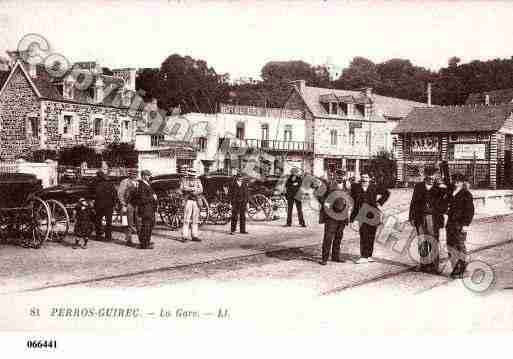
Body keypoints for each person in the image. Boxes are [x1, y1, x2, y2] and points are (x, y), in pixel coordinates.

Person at [408, 167, 448, 273]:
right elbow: (413, 202)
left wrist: (443, 188)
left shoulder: (440, 188)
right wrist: (411, 217)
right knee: (422, 241)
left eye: (433, 175)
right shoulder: (418, 186)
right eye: (429, 175)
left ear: (435, 176)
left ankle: (434, 266)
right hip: (420, 217)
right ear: (425, 176)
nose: (431, 178)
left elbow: (445, 202)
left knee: (433, 241)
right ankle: (424, 264)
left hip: (433, 218)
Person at [350, 172, 390, 263]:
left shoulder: (374, 187)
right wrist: (353, 216)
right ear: (360, 178)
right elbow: (353, 202)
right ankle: (363, 256)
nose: (364, 179)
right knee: (363, 234)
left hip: (373, 214)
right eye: (363, 177)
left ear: (369, 178)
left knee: (371, 235)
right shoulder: (355, 188)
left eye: (366, 177)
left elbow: (387, 193)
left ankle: (369, 256)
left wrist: (379, 202)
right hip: (362, 214)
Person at [318, 169, 352, 265]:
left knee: (339, 236)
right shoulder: (329, 184)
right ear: (335, 176)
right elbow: (320, 195)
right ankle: (324, 258)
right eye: (338, 175)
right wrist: (326, 203)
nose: (340, 177)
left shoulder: (347, 186)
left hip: (342, 215)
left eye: (342, 176)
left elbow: (350, 198)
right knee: (328, 237)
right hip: (331, 215)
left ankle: (335, 256)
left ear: (344, 176)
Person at [445, 173, 475, 278]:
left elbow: (470, 211)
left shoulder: (466, 194)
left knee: (460, 246)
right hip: (450, 223)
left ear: (462, 182)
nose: (456, 182)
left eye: (458, 181)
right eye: (454, 180)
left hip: (460, 224)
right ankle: (455, 267)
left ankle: (463, 269)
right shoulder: (451, 193)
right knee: (450, 245)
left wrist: (466, 224)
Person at [133, 169, 158, 249]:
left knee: (149, 226)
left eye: (149, 175)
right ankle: (144, 244)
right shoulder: (141, 185)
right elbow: (143, 199)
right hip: (145, 209)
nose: (149, 176)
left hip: (149, 209)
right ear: (143, 176)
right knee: (146, 227)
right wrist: (152, 197)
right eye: (147, 175)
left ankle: (147, 241)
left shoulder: (147, 184)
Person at [180, 168, 204, 242]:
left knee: (195, 220)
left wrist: (194, 191)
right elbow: (182, 188)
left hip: (196, 201)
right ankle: (184, 236)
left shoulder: (198, 180)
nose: (192, 176)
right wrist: (191, 189)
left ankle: (194, 235)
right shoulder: (184, 180)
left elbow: (201, 189)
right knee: (186, 219)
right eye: (191, 175)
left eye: (193, 175)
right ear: (189, 174)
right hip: (188, 201)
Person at [94, 170, 117, 242]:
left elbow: (93, 194)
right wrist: (114, 204)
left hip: (99, 205)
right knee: (109, 222)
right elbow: (114, 195)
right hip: (109, 206)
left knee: (98, 220)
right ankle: (108, 237)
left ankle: (98, 236)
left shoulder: (96, 184)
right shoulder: (110, 184)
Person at [117, 170, 139, 246]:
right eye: (133, 174)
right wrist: (123, 204)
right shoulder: (125, 182)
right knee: (128, 223)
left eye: (136, 174)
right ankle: (129, 240)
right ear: (129, 174)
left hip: (136, 204)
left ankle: (141, 239)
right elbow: (120, 193)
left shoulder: (138, 182)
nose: (135, 175)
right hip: (128, 204)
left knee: (138, 222)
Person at [228, 170, 249, 235]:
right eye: (239, 177)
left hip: (243, 202)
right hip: (235, 202)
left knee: (243, 216)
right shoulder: (233, 184)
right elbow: (230, 194)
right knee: (234, 216)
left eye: (241, 177)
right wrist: (230, 203)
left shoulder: (244, 183)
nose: (240, 178)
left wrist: (247, 203)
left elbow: (247, 194)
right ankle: (233, 230)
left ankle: (243, 230)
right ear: (237, 177)